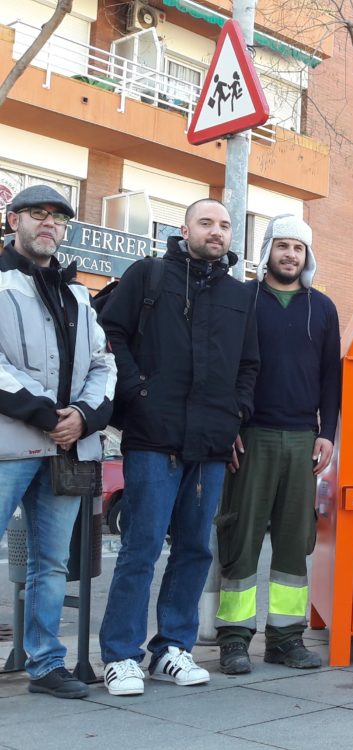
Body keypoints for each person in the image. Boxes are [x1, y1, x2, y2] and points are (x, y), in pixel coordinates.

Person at [97, 198, 259, 696]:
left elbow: (249, 366)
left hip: (209, 445)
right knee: (141, 549)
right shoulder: (149, 275)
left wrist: (235, 414)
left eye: (225, 225)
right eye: (206, 222)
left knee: (193, 550)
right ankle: (121, 656)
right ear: (184, 228)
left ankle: (172, 648)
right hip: (153, 438)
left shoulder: (238, 295)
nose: (217, 231)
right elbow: (111, 336)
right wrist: (137, 393)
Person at [0, 185, 116, 698]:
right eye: (39, 214)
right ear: (14, 221)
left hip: (66, 447)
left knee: (53, 563)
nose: (50, 224)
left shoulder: (77, 294)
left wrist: (85, 416)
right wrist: (48, 414)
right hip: (8, 442)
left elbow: (103, 363)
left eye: (59, 218)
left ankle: (46, 665)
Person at [215, 215, 340, 674]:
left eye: (299, 248)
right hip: (251, 437)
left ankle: (286, 640)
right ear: (267, 249)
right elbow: (224, 367)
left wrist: (327, 433)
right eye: (282, 245)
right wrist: (228, 426)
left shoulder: (322, 308)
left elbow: (332, 376)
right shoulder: (241, 300)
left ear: (307, 256)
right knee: (241, 537)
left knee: (294, 543)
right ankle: (233, 640)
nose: (290, 255)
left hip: (304, 438)